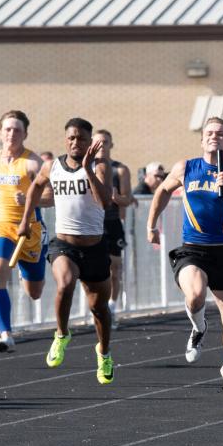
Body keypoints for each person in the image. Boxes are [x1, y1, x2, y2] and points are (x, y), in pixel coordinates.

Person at [147, 118, 223, 395]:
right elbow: (162, 191)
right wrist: (151, 224)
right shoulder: (186, 167)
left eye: (221, 134)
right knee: (195, 295)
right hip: (191, 248)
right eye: (209, 133)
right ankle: (199, 327)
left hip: (221, 253)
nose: (214, 136)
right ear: (202, 140)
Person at [18, 118, 114, 385]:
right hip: (64, 245)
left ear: (90, 141)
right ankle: (61, 334)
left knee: (99, 309)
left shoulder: (100, 165)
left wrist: (87, 169)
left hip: (94, 247)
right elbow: (36, 186)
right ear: (65, 139)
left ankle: (104, 353)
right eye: (71, 138)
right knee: (65, 283)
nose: (75, 143)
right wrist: (26, 220)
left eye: (81, 139)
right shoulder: (52, 166)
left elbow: (105, 201)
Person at [0, 111, 48, 352]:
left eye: (17, 130)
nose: (12, 134)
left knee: (34, 292)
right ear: (0, 132)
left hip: (30, 231)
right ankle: (5, 333)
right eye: (8, 129)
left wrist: (31, 199)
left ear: (25, 134)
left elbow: (51, 196)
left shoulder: (33, 163)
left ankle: (27, 273)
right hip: (2, 226)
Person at [91, 130, 133, 328]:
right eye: (97, 142)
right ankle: (95, 309)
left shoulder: (120, 170)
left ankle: (112, 308)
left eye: (105, 142)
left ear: (111, 145)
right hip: (91, 224)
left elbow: (128, 198)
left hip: (112, 223)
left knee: (114, 269)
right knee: (91, 271)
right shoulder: (85, 168)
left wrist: (117, 198)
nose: (101, 146)